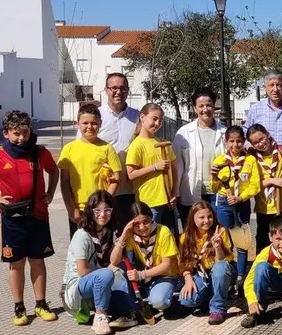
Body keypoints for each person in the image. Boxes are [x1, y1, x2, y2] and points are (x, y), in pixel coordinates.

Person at [0, 110, 59, 327]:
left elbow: (54, 171)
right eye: (16, 133)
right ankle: (19, 307)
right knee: (16, 263)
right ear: (6, 133)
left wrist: (51, 192)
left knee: (38, 260)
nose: (21, 138)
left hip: (38, 215)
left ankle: (41, 304)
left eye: (25, 133)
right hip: (12, 218)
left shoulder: (40, 152)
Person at [60, 190, 140, 335]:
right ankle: (100, 316)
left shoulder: (107, 232)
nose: (102, 214)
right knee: (106, 274)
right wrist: (108, 275)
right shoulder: (82, 235)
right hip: (78, 287)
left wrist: (122, 237)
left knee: (127, 301)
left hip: (98, 281)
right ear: (90, 211)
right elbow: (83, 271)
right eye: (97, 210)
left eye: (107, 210)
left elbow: (113, 261)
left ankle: (123, 310)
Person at [58, 104, 121, 238]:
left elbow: (116, 179)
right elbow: (64, 182)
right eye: (85, 123)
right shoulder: (69, 149)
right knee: (80, 252)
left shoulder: (107, 149)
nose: (90, 127)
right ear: (78, 124)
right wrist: (71, 209)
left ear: (100, 124)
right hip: (79, 210)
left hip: (101, 212)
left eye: (94, 123)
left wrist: (104, 205)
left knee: (102, 252)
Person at [210, 125, 261, 287]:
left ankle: (240, 276)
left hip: (241, 204)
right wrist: (213, 176)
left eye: (239, 141)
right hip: (224, 203)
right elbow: (213, 188)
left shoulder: (250, 160)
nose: (235, 145)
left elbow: (255, 185)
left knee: (241, 242)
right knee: (225, 241)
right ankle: (227, 276)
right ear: (226, 142)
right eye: (231, 141)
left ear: (244, 142)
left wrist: (241, 197)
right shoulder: (219, 160)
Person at [175, 200, 237, 324]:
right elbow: (184, 264)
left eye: (209, 216)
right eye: (201, 217)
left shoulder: (220, 231)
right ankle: (210, 296)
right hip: (200, 273)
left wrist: (218, 246)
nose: (206, 220)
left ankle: (218, 308)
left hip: (222, 270)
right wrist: (188, 280)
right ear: (193, 218)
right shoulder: (185, 237)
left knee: (220, 269)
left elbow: (223, 262)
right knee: (187, 300)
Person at [173, 86, 226, 226]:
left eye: (208, 105)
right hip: (190, 191)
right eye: (201, 106)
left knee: (217, 232)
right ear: (195, 108)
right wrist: (176, 192)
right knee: (191, 233)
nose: (205, 109)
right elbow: (177, 165)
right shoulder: (183, 133)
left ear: (214, 107)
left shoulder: (225, 133)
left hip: (217, 192)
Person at [96, 73, 141, 232]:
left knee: (128, 236)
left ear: (128, 90)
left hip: (130, 190)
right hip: (103, 190)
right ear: (106, 90)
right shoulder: (96, 116)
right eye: (114, 88)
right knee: (103, 238)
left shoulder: (138, 117)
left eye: (122, 88)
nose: (118, 92)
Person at [126, 103, 179, 232]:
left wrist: (174, 194)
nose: (157, 123)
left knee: (169, 238)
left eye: (160, 121)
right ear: (142, 117)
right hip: (149, 202)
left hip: (167, 200)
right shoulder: (137, 145)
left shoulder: (162, 142)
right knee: (151, 238)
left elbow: (175, 171)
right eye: (154, 119)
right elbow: (131, 174)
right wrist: (155, 167)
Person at [123, 201, 180, 314]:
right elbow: (114, 261)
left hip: (167, 275)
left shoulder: (163, 231)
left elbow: (166, 265)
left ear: (151, 218)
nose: (142, 227)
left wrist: (141, 275)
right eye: (136, 224)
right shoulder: (131, 235)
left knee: (159, 302)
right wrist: (124, 234)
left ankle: (176, 289)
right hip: (149, 276)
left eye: (146, 222)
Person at [247, 123, 282, 251]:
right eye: (255, 142)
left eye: (262, 139)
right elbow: (252, 184)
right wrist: (272, 181)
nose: (260, 144)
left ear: (267, 135)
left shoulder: (281, 151)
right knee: (264, 241)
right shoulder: (252, 158)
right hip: (264, 208)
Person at [243, 70, 282, 151]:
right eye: (271, 85)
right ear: (265, 87)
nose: (275, 89)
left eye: (279, 85)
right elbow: (245, 134)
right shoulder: (255, 110)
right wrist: (249, 146)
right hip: (262, 162)